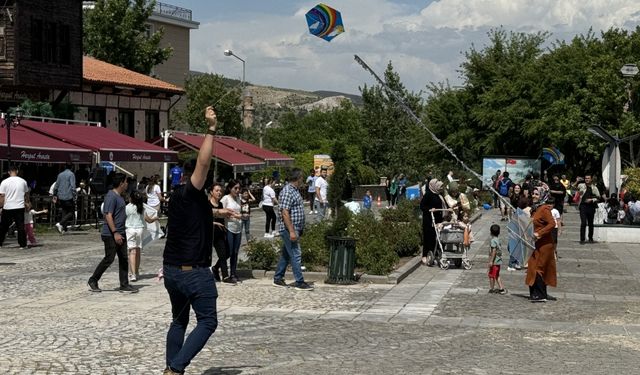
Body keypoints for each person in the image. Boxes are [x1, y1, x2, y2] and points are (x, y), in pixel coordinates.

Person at [162, 106, 219, 375]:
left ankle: (172, 370)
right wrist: (211, 129)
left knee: (179, 320)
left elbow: (197, 217)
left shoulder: (177, 197)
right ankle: (175, 367)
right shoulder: (190, 191)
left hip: (172, 270)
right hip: (192, 272)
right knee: (208, 321)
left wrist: (220, 213)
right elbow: (204, 163)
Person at [87, 173, 136, 293]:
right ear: (121, 183)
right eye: (125, 182)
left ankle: (124, 284)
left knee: (124, 258)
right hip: (111, 234)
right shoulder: (111, 196)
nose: (127, 184)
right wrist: (115, 232)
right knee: (109, 258)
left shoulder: (120, 196)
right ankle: (93, 280)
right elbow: (108, 215)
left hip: (121, 232)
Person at [272, 168, 313, 290]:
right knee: (295, 253)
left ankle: (278, 278)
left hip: (296, 227)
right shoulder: (287, 191)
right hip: (289, 228)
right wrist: (291, 231)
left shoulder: (295, 190)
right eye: (302, 177)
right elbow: (285, 212)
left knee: (286, 254)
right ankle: (299, 281)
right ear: (298, 178)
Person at [526, 185, 557, 302]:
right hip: (536, 244)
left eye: (536, 194)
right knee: (533, 266)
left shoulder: (544, 209)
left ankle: (540, 294)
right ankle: (535, 293)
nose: (534, 196)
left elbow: (552, 224)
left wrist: (540, 233)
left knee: (539, 267)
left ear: (542, 195)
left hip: (544, 244)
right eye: (533, 193)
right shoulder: (535, 208)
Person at [125, 190, 159, 282]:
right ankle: (136, 272)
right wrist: (155, 218)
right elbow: (149, 220)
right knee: (138, 252)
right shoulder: (142, 207)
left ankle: (132, 274)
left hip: (130, 230)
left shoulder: (127, 207)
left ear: (131, 198)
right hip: (140, 230)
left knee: (132, 252)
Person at [209, 182, 238, 284]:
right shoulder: (207, 204)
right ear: (211, 192)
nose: (219, 192)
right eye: (217, 190)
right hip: (211, 233)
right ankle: (225, 277)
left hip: (221, 232)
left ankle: (215, 268)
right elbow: (204, 219)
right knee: (222, 253)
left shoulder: (221, 204)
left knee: (227, 252)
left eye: (220, 191)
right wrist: (215, 222)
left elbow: (222, 215)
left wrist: (229, 215)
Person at [0, 166, 30, 249]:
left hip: (8, 206)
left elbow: (2, 196)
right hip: (19, 206)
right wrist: (27, 203)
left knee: (3, 226)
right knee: (20, 226)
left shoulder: (4, 182)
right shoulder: (23, 181)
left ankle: (0, 242)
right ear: (17, 171)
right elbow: (27, 194)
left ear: (9, 172)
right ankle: (23, 244)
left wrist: (1, 206)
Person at [420, 179, 446, 266]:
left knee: (436, 238)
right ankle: (425, 255)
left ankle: (434, 255)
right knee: (428, 238)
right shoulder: (428, 194)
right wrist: (430, 209)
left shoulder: (438, 194)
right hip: (429, 220)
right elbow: (422, 206)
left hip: (437, 220)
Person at [221, 179, 243, 283]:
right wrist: (229, 214)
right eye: (235, 188)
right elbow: (220, 211)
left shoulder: (239, 198)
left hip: (238, 227)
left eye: (239, 188)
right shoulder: (226, 198)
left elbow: (240, 211)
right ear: (230, 188)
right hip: (229, 227)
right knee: (229, 251)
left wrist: (241, 215)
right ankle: (217, 267)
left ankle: (233, 273)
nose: (238, 190)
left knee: (235, 252)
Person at [53, 163, 76, 235]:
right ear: (72, 167)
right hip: (68, 196)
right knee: (71, 212)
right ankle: (60, 223)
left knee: (64, 211)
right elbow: (73, 186)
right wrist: (75, 195)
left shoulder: (60, 175)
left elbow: (56, 185)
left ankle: (63, 228)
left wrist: (55, 194)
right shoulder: (71, 174)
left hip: (61, 196)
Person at [577, 174, 600, 244]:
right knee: (583, 222)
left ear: (591, 179)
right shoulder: (581, 185)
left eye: (588, 178)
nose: (586, 179)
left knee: (590, 223)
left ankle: (590, 238)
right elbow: (572, 188)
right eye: (585, 178)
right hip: (583, 206)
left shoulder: (594, 188)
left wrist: (592, 200)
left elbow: (598, 197)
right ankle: (582, 239)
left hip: (591, 207)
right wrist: (576, 181)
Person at [487, 224, 507, 295]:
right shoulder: (498, 240)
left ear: (491, 232)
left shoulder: (493, 241)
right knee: (497, 275)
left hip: (494, 262)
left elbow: (494, 251)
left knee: (491, 275)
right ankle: (501, 288)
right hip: (498, 261)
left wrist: (491, 261)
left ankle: (492, 289)